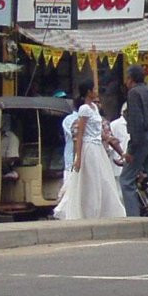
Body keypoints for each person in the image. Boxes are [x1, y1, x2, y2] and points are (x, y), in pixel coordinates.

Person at [52, 77, 126, 221]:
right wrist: (78, 158)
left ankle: (104, 211)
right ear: (88, 91)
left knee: (103, 178)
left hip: (98, 147)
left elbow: (99, 131)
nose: (96, 92)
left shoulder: (94, 108)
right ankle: (89, 212)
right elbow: (80, 134)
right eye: (94, 89)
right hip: (89, 148)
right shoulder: (84, 109)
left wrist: (111, 141)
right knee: (91, 180)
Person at [119, 63, 148, 217]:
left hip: (142, 137)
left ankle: (133, 216)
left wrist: (131, 149)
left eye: (127, 78)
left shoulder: (133, 93)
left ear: (130, 79)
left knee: (126, 179)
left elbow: (136, 121)